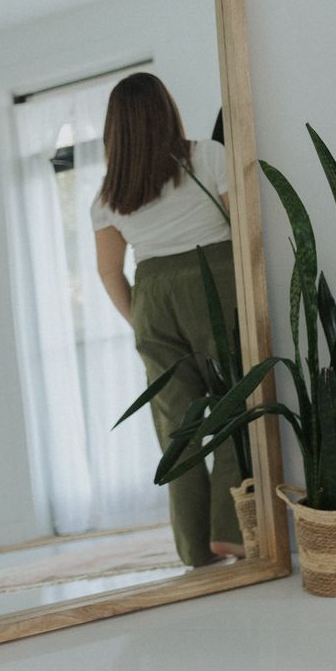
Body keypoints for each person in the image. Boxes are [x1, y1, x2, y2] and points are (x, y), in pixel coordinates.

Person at [92, 72, 241, 566]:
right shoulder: (208, 156)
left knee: (176, 425)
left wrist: (141, 320)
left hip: (152, 293)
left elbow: (109, 272)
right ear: (167, 110)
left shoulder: (108, 195)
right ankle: (231, 528)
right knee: (235, 403)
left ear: (115, 130)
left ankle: (195, 548)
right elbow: (241, 227)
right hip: (214, 280)